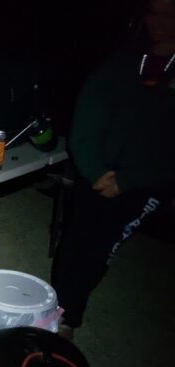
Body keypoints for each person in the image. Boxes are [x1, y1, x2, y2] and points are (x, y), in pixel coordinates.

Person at [51, 0, 175, 339]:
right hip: (97, 172)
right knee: (76, 239)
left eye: (168, 13)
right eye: (153, 12)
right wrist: (93, 169)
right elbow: (87, 118)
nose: (158, 21)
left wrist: (129, 179)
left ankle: (68, 315)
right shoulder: (122, 63)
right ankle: (60, 314)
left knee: (103, 245)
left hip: (145, 182)